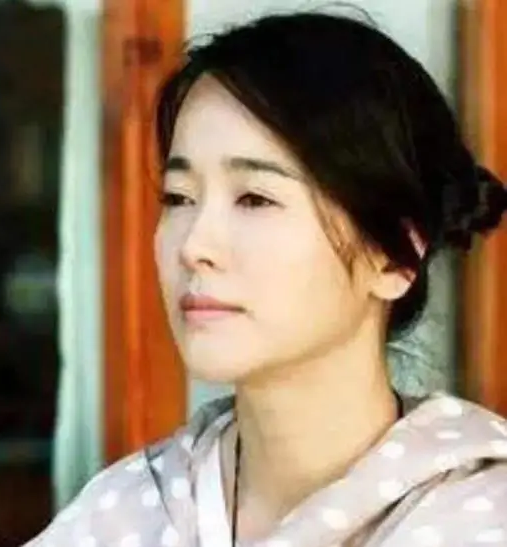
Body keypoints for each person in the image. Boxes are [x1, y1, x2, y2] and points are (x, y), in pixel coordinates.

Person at [27, 12, 507, 547]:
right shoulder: (122, 514)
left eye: (255, 199)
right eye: (179, 198)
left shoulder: (483, 520)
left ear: (394, 257)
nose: (194, 245)